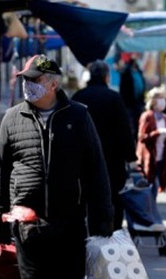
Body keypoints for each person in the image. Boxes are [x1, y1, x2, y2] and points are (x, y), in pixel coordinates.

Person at [0, 54, 113, 279]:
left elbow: (95, 170)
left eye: (35, 80)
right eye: (25, 80)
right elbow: (2, 172)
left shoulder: (78, 116)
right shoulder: (12, 118)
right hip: (26, 223)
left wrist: (103, 220)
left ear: (53, 83)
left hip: (70, 221)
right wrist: (0, 218)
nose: (28, 85)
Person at [72, 60, 137, 231]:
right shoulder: (114, 98)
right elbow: (124, 130)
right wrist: (131, 157)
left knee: (85, 198)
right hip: (112, 159)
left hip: (83, 159)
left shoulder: (78, 97)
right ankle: (112, 235)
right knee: (113, 197)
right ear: (107, 77)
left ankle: (87, 235)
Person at [136, 86, 166, 227]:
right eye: (159, 98)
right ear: (153, 101)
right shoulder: (147, 116)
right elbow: (142, 137)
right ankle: (148, 217)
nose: (162, 101)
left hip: (160, 157)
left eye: (164, 98)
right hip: (148, 158)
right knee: (148, 188)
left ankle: (150, 216)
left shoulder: (165, 118)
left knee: (155, 187)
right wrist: (158, 132)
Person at [119, 53, 146, 137]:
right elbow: (124, 88)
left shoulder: (139, 71)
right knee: (132, 125)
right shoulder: (126, 72)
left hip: (139, 102)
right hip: (130, 103)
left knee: (140, 124)